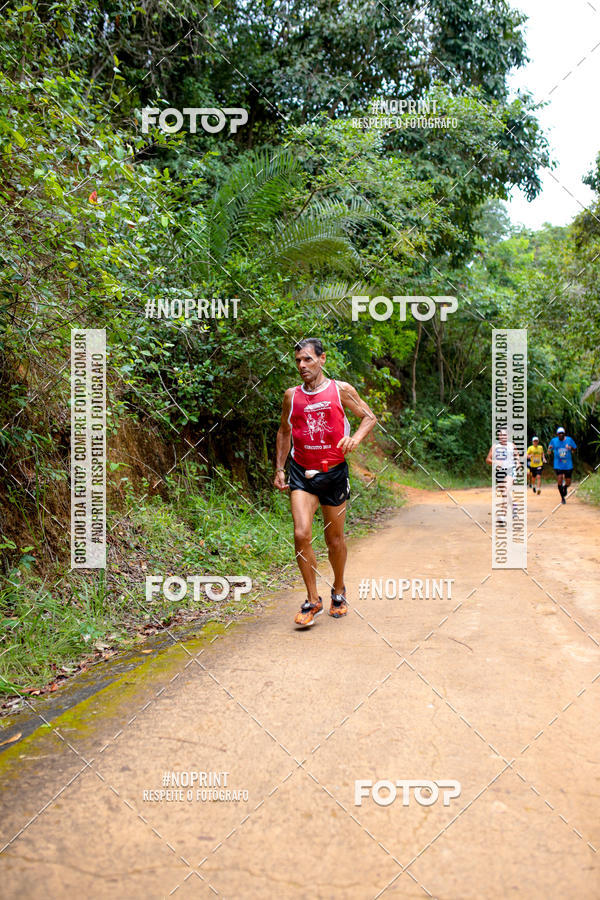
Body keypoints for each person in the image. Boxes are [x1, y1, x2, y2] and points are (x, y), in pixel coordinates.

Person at [274, 338, 377, 627]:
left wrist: (354, 439)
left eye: (307, 359)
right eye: (298, 361)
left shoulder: (341, 390)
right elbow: (284, 431)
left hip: (333, 473)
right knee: (301, 533)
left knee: (334, 540)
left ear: (322, 359)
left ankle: (339, 589)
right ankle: (312, 599)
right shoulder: (291, 396)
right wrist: (280, 467)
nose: (302, 366)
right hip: (301, 472)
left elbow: (369, 417)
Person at [486, 427, 520, 523]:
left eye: (504, 435)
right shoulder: (495, 447)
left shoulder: (511, 445)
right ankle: (514, 506)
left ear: (508, 436)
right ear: (498, 436)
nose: (502, 437)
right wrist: (494, 461)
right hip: (499, 471)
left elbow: (516, 455)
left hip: (510, 470)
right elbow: (487, 459)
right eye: (500, 435)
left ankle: (502, 515)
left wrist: (517, 462)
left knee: (505, 490)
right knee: (505, 492)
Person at [547, 427, 577, 504]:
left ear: (564, 434)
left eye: (562, 433)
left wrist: (570, 448)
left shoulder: (569, 440)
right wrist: (549, 449)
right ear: (557, 434)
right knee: (559, 479)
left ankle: (565, 487)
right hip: (558, 464)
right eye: (559, 433)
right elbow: (549, 452)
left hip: (568, 465)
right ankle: (562, 498)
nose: (561, 435)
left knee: (568, 482)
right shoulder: (554, 441)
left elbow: (575, 449)